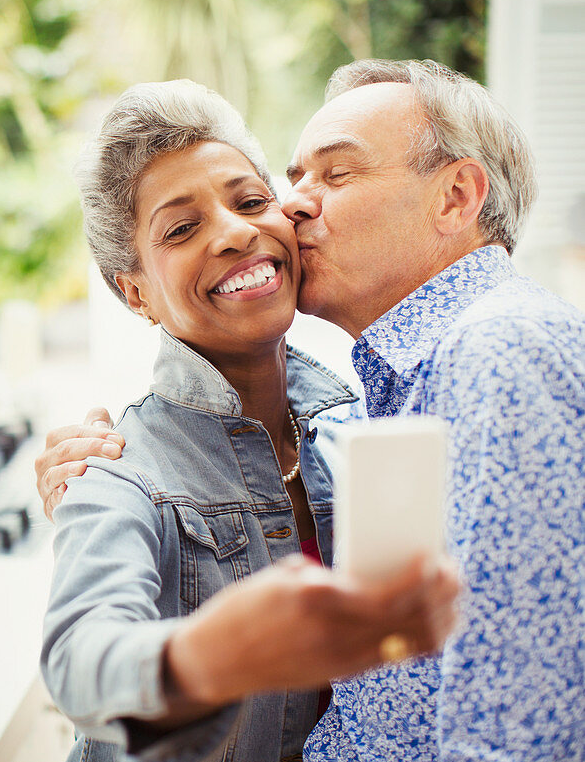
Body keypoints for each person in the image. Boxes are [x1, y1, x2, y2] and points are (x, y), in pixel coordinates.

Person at [38, 59, 585, 760]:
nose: (284, 210)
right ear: (134, 291)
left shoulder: (439, 381)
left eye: (332, 175)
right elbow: (83, 662)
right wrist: (210, 654)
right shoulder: (120, 467)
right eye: (180, 230)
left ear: (455, 197)